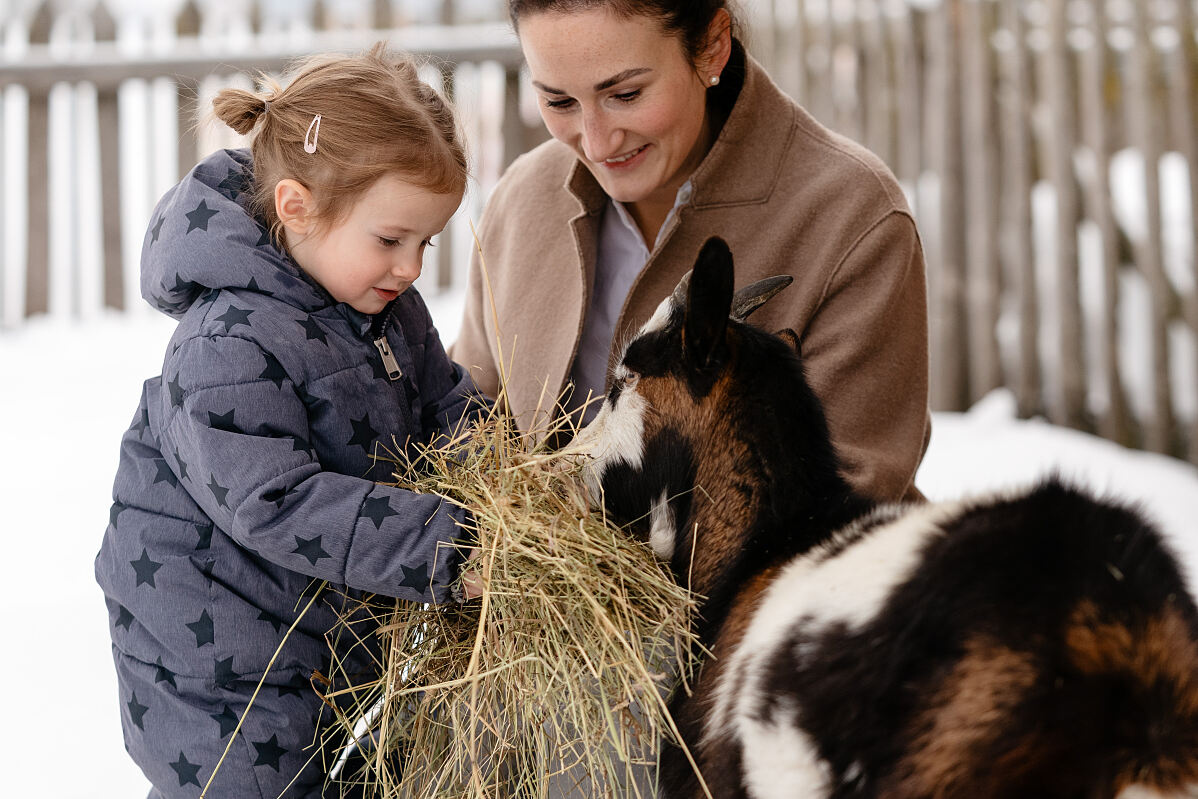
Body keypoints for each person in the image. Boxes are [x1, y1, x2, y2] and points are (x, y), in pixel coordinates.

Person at [95, 44, 486, 798]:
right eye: (391, 239)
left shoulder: (386, 307)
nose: (412, 267)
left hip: (313, 638)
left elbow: (444, 402)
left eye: (425, 242)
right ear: (297, 206)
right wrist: (449, 544)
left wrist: (490, 474)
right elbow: (275, 501)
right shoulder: (226, 342)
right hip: (219, 665)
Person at [452, 0, 931, 505]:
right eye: (559, 101)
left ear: (712, 47)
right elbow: (464, 426)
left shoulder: (853, 215)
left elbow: (843, 504)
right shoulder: (523, 198)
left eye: (626, 94)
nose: (596, 144)